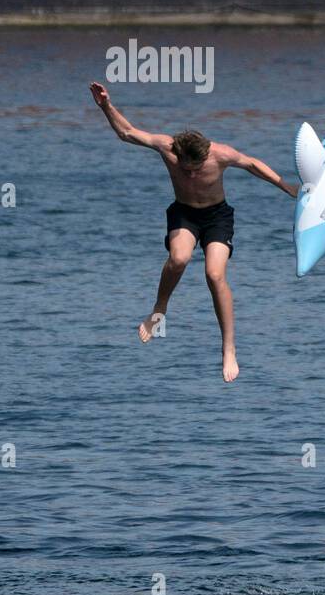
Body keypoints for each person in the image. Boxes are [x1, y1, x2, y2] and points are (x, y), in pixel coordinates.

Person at [90, 81, 298, 382]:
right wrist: (106, 106)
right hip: (185, 213)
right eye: (185, 168)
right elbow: (127, 133)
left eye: (196, 169)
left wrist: (286, 186)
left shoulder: (221, 154)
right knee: (179, 259)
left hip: (217, 217)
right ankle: (159, 309)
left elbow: (252, 164)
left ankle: (228, 348)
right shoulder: (166, 146)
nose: (190, 173)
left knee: (214, 275)